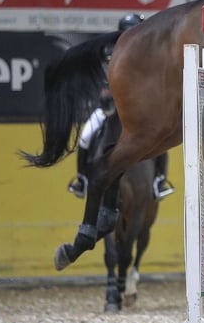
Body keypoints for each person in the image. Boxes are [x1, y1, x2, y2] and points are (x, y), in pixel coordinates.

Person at [67, 14, 175, 201]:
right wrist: (103, 93)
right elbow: (101, 79)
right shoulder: (110, 52)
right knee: (86, 136)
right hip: (111, 107)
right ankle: (82, 179)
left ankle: (159, 180)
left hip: (140, 110)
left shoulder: (149, 57)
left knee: (160, 141)